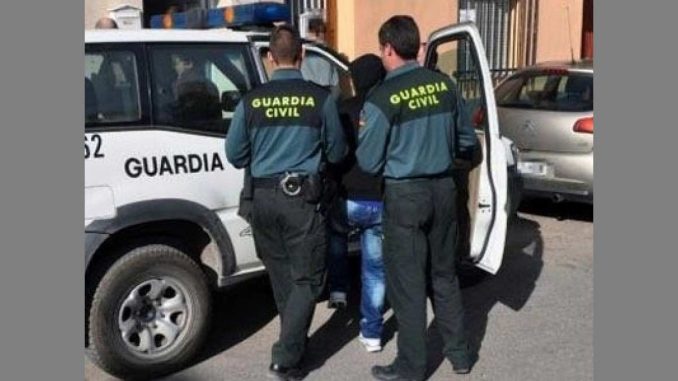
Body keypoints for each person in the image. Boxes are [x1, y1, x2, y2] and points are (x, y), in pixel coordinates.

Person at [356, 16, 479, 381]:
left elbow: (367, 160)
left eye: (382, 50)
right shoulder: (445, 86)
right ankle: (460, 356)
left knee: (407, 285)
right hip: (443, 191)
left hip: (404, 195)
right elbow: (467, 142)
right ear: (416, 46)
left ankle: (411, 367)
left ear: (388, 49)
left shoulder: (381, 97)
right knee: (444, 276)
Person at [225, 24, 346, 381]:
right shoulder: (319, 99)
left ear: (269, 57)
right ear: (302, 55)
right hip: (301, 203)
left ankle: (293, 341)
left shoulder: (251, 101)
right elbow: (337, 151)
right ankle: (285, 358)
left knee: (283, 279)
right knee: (308, 279)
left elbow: (235, 154)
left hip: (261, 200)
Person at [326, 54, 387, 353]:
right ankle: (372, 333)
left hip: (347, 198)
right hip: (379, 201)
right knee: (374, 270)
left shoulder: (341, 109)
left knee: (336, 233)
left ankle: (337, 288)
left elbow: (333, 153)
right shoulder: (387, 110)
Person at [300, 18, 339, 95]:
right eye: (319, 32)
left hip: (308, 92)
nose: (322, 35)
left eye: (323, 31)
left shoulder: (304, 50)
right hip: (323, 93)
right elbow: (335, 81)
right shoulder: (325, 51)